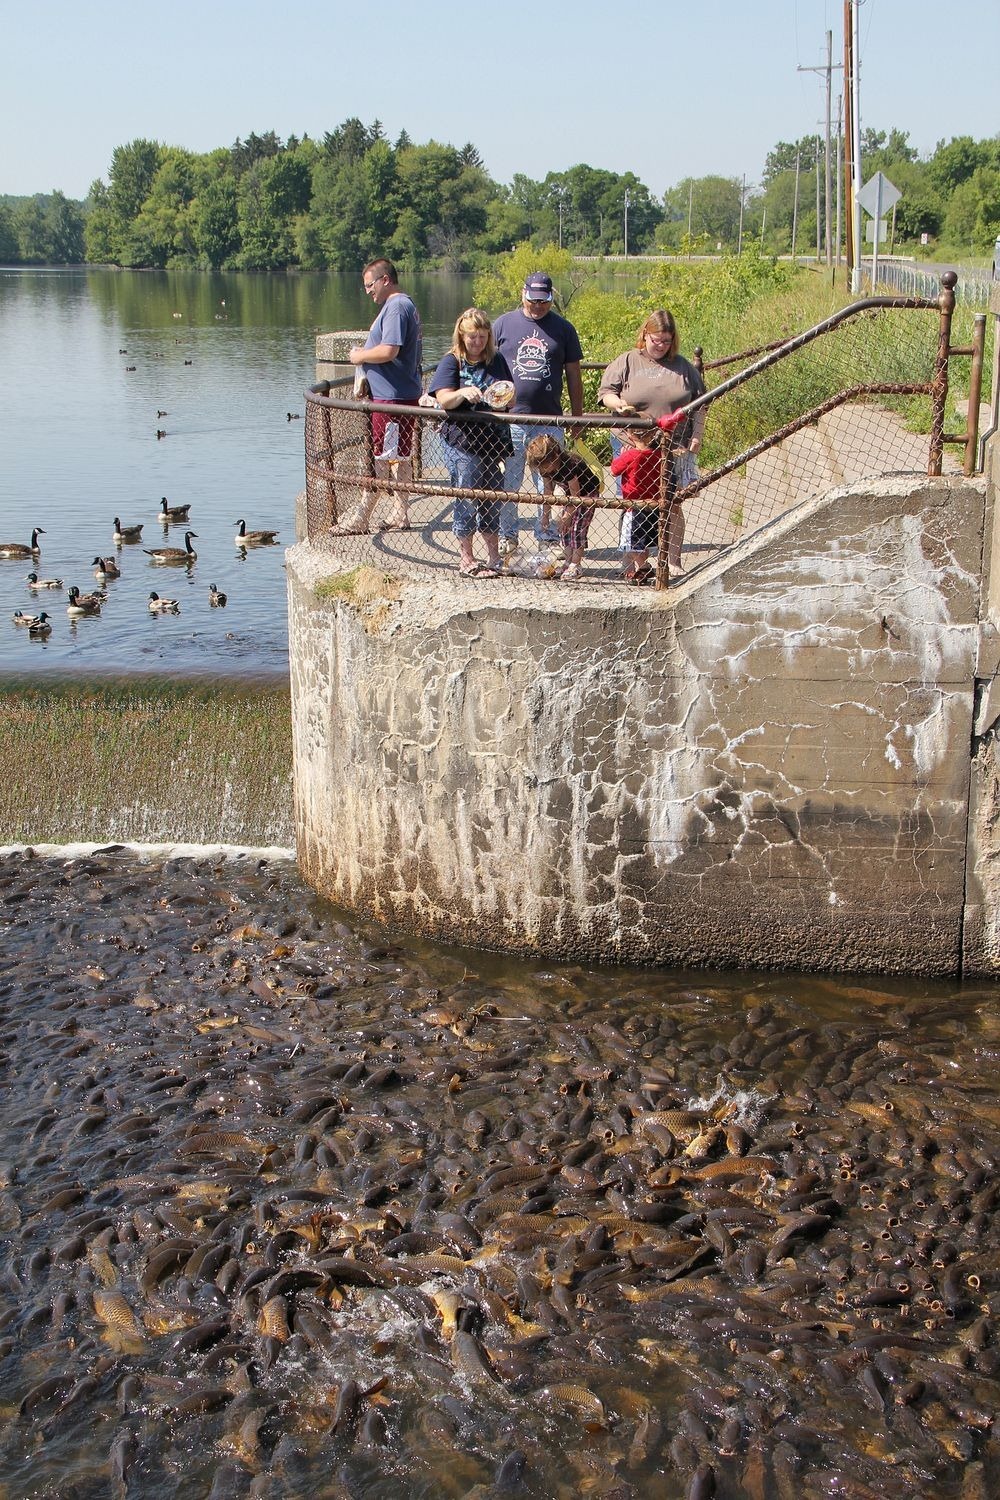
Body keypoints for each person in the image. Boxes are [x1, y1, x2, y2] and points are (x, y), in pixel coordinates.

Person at [599, 309, 706, 575]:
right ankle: (633, 560)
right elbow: (606, 393)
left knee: (673, 503)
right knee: (632, 502)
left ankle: (673, 560)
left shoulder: (684, 367)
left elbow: (701, 404)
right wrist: (620, 405)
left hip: (673, 445)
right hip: (632, 443)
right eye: (655, 340)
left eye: (666, 341)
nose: (660, 346)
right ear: (645, 335)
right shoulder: (627, 360)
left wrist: (697, 436)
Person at [493, 272, 584, 553]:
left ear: (551, 298)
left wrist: (577, 417)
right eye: (533, 300)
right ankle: (508, 535)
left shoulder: (564, 329)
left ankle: (547, 535)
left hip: (549, 420)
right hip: (512, 420)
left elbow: (573, 375)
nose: (538, 306)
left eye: (543, 301)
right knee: (509, 481)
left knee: (549, 483)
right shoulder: (503, 324)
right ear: (523, 294)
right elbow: (487, 367)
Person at [338, 258, 423, 533]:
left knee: (382, 456)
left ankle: (361, 519)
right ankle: (401, 515)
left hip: (392, 399)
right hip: (398, 395)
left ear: (385, 279)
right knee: (399, 456)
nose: (367, 291)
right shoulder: (402, 305)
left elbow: (390, 350)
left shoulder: (397, 307)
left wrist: (359, 356)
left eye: (369, 284)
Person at [428, 309, 513, 578]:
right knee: (465, 495)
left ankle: (493, 557)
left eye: (481, 336)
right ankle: (466, 557)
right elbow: (443, 399)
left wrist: (505, 397)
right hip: (463, 441)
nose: (477, 341)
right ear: (462, 336)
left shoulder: (496, 360)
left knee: (492, 497)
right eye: (471, 336)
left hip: (493, 441)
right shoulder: (452, 362)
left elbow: (508, 392)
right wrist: (462, 393)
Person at [526, 434, 599, 581]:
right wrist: (545, 515)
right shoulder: (545, 468)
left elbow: (576, 495)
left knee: (578, 528)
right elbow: (548, 492)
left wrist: (568, 515)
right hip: (569, 494)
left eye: (545, 465)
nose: (544, 470)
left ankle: (575, 564)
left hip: (586, 494)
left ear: (555, 456)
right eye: (540, 467)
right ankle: (567, 561)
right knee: (564, 529)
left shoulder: (569, 464)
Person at [610, 427, 661, 584]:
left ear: (630, 435)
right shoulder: (658, 454)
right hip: (653, 505)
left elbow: (613, 470)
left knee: (631, 543)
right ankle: (642, 569)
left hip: (634, 507)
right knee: (642, 541)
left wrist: (622, 455)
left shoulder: (630, 454)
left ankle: (644, 566)